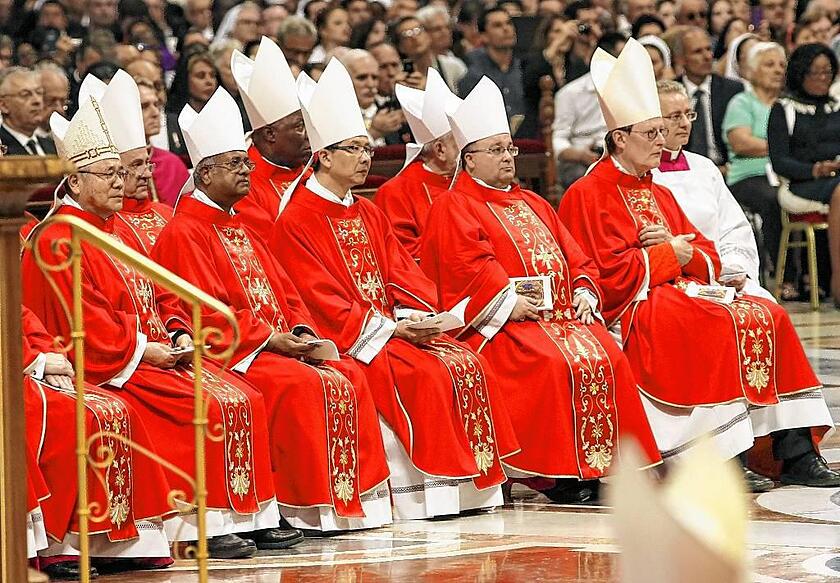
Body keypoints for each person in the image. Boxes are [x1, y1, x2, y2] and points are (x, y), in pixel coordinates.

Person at [558, 38, 839, 490]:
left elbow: (703, 248)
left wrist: (683, 254)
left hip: (678, 291)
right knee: (709, 322)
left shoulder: (657, 189)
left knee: (766, 314)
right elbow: (603, 275)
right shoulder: (589, 194)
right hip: (633, 308)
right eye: (651, 134)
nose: (662, 142)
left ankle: (794, 451)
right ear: (619, 137)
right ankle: (720, 460)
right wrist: (672, 254)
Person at [22, 95, 292, 559]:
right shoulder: (59, 236)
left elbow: (162, 288)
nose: (119, 183)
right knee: (202, 401)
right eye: (107, 175)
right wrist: (146, 350)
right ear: (74, 180)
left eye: (118, 174)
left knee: (240, 394)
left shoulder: (118, 227)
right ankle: (198, 524)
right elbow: (83, 321)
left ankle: (240, 517)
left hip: (152, 348)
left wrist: (179, 330)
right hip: (110, 360)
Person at [271, 59, 520, 518]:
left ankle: (469, 489)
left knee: (465, 359)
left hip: (392, 327)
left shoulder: (366, 211)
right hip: (356, 340)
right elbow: (314, 296)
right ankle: (431, 497)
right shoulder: (296, 220)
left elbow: (402, 271)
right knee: (425, 374)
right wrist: (389, 329)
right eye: (355, 149)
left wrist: (416, 316)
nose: (367, 158)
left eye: (368, 149)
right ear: (324, 156)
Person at [152, 86, 393, 533]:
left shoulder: (240, 224)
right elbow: (202, 309)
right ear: (204, 175)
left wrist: (299, 331)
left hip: (274, 345)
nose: (247, 171)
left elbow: (285, 290)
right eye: (235, 164)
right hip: (237, 354)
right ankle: (302, 508)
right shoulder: (184, 231)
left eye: (246, 162)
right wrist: (267, 340)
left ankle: (347, 507)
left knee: (348, 374)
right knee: (298, 385)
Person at [418, 74, 663, 502]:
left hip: (561, 316)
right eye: (496, 150)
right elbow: (465, 269)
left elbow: (577, 257)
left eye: (509, 148)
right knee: (552, 363)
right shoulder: (453, 206)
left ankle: (605, 472)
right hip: (499, 325)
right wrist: (508, 302)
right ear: (469, 159)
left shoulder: (531, 200)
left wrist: (586, 291)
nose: (508, 158)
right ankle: (560, 477)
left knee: (607, 353)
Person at [23, 305, 174, 580]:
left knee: (115, 409)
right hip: (14, 373)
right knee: (71, 416)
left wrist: (50, 355)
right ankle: (58, 545)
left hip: (25, 366)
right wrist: (38, 362)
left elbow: (20, 316)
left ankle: (116, 545)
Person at [653, 79, 773, 300]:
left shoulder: (704, 167)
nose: (685, 123)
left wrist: (736, 268)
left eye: (689, 114)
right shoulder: (641, 172)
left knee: (770, 311)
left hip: (719, 275)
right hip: (670, 280)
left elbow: (734, 228)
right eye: (675, 116)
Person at [768, 44, 840, 305]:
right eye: (816, 73)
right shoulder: (783, 109)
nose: (823, 78)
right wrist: (815, 169)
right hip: (801, 182)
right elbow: (779, 161)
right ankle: (838, 284)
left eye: (828, 72)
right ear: (801, 73)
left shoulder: (837, 106)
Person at [374, 68, 460, 260]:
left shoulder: (473, 181)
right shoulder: (397, 193)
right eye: (461, 141)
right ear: (440, 150)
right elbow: (405, 255)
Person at [722, 42, 787, 291]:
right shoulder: (741, 102)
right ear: (751, 71)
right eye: (769, 65)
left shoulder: (787, 103)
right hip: (749, 174)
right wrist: (782, 148)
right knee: (774, 200)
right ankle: (782, 274)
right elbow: (741, 142)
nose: (777, 70)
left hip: (785, 173)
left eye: (782, 65)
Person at [231, 36, 311, 238]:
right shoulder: (242, 183)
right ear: (269, 134)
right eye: (301, 126)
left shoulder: (315, 174)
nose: (310, 135)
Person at [551, 33, 626, 189]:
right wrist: (579, 154)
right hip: (582, 158)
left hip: (622, 154)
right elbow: (558, 138)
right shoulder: (570, 93)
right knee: (585, 178)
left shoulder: (631, 91)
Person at [674, 26, 744, 166]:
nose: (707, 56)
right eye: (697, 52)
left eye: (708, 49)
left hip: (725, 169)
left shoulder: (732, 90)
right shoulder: (671, 94)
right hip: (683, 170)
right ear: (681, 59)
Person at [458, 7, 525, 123]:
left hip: (524, 137)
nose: (506, 29)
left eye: (508, 23)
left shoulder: (525, 67)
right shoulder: (471, 70)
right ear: (484, 36)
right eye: (497, 25)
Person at [522, 15, 579, 139]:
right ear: (546, 35)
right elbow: (529, 81)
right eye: (557, 31)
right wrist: (557, 43)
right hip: (537, 129)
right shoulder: (533, 61)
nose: (565, 36)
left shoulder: (575, 66)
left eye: (567, 32)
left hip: (570, 129)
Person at [136, 78, 190, 206]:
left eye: (157, 105)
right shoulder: (116, 168)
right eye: (144, 107)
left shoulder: (173, 164)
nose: (155, 113)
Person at [0, 67, 56, 155]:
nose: (37, 100)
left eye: (39, 92)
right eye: (25, 94)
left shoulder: (53, 146)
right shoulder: (2, 148)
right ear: (3, 105)